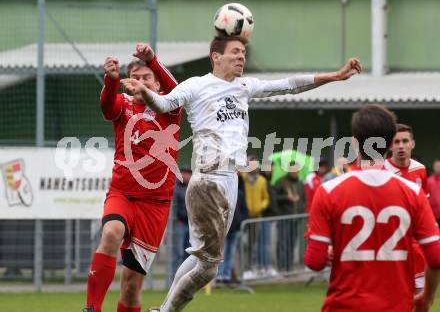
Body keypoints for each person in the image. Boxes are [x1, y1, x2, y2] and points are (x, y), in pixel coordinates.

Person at [121, 35, 362, 312]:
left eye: (244, 53)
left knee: (200, 257)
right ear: (216, 57)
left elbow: (290, 85)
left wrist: (336, 76)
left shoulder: (244, 87)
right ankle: (165, 311)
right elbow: (164, 105)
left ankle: (164, 309)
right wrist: (146, 92)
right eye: (235, 52)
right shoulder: (197, 85)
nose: (241, 57)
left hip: (230, 180)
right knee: (209, 267)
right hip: (209, 179)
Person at [305, 105, 440, 312]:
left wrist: (332, 251)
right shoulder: (412, 192)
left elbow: (314, 261)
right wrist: (426, 297)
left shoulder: (329, 190)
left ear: (354, 142)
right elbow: (436, 257)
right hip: (396, 306)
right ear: (390, 143)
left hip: (345, 306)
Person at [84, 44, 180, 312]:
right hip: (122, 193)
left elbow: (175, 88)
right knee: (112, 232)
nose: (139, 82)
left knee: (130, 287)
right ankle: (91, 308)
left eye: (146, 77)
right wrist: (111, 80)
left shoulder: (169, 106)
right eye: (134, 78)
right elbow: (106, 107)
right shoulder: (122, 104)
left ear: (157, 85)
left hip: (155, 204)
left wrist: (153, 60)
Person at [384, 123, 429, 291]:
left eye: (405, 141)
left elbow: (424, 205)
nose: (401, 146)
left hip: (415, 242)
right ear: (390, 145)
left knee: (419, 294)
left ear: (412, 143)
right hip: (390, 243)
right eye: (396, 142)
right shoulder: (382, 171)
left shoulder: (420, 170)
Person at [216, 174, 247, 284]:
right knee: (221, 253)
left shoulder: (240, 194)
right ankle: (219, 275)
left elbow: (244, 210)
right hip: (223, 227)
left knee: (230, 253)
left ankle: (226, 275)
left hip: (236, 228)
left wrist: (241, 222)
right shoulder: (222, 193)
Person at [275, 164, 305, 272]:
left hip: (296, 218)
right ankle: (281, 265)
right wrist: (286, 198)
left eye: (296, 170)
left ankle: (289, 265)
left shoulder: (301, 184)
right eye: (292, 170)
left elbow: (303, 200)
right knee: (283, 242)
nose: (295, 172)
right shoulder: (281, 182)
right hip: (284, 217)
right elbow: (275, 198)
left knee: (292, 243)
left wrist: (301, 210)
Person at [171, 167, 192, 278]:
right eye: (184, 173)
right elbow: (173, 207)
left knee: (188, 253)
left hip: (191, 225)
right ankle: (173, 277)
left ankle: (184, 278)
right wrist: (176, 219)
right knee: (177, 253)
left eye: (188, 174)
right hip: (179, 224)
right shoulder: (175, 188)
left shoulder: (192, 187)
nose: (186, 176)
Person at [427, 158, 440, 227]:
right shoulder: (429, 181)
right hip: (433, 215)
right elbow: (426, 197)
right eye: (436, 166)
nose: (438, 168)